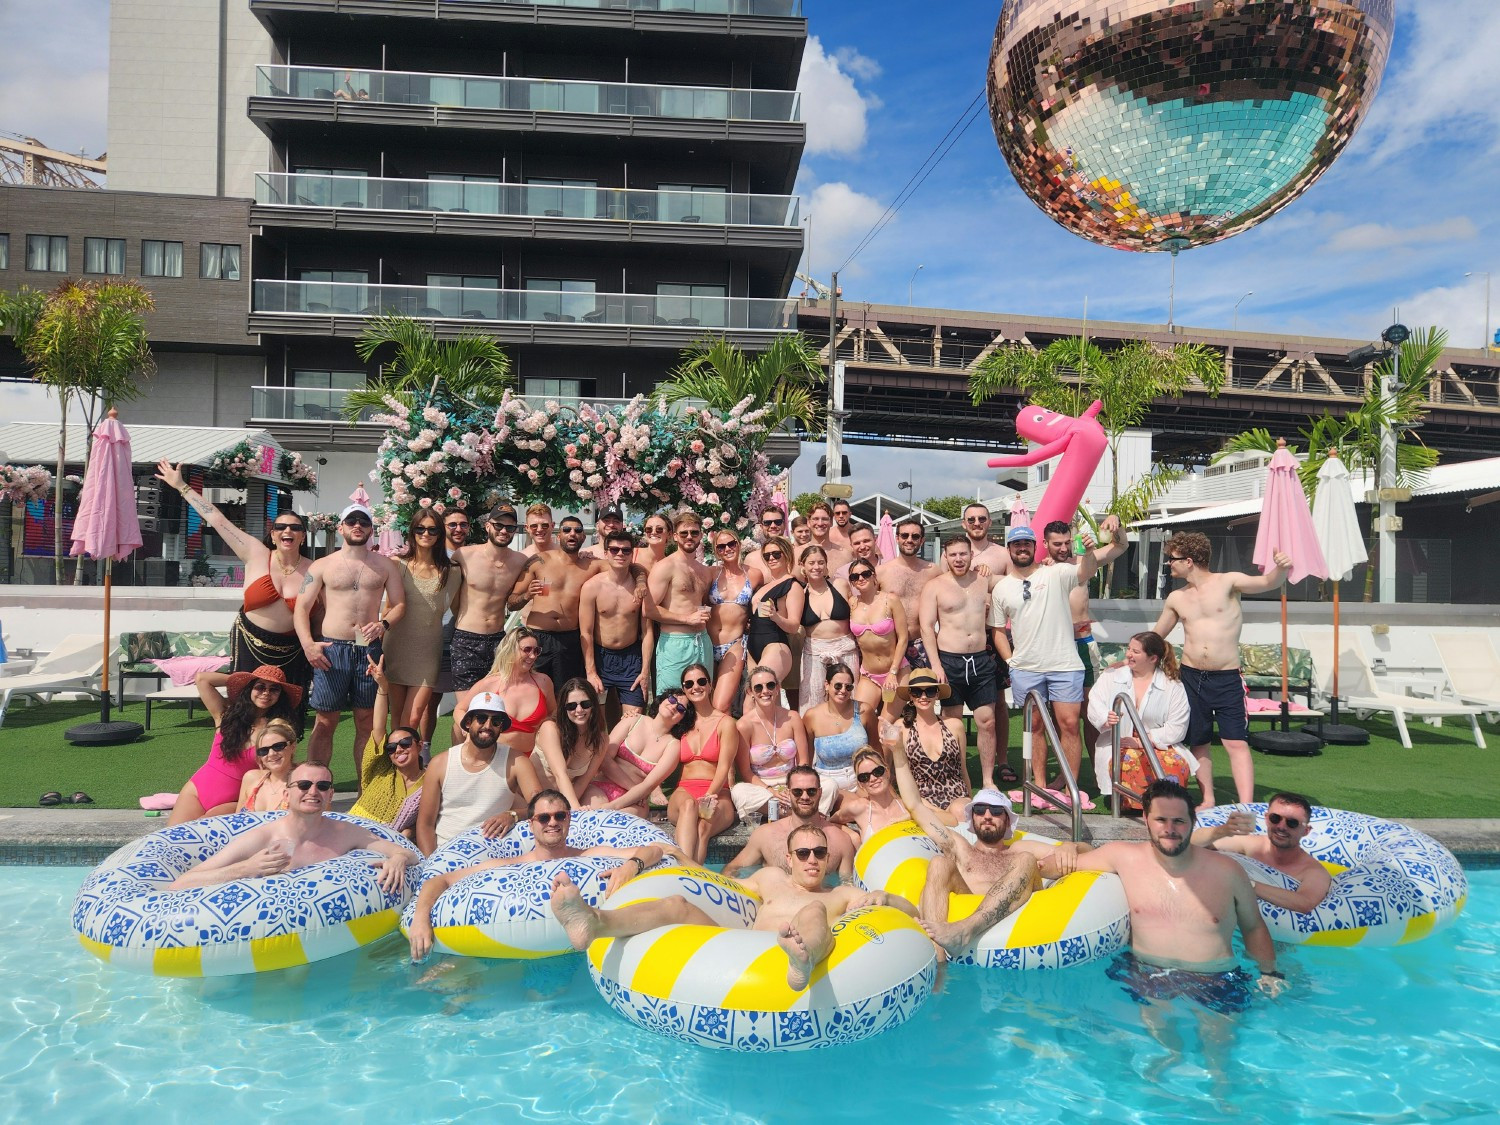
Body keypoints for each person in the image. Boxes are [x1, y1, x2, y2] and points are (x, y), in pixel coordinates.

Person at [550, 823, 918, 990]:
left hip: (797, 954)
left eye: (819, 853)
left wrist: (886, 898)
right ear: (789, 858)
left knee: (813, 912)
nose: (812, 860)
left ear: (827, 858)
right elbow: (717, 885)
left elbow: (911, 915)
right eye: (802, 853)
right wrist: (662, 857)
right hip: (741, 948)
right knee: (677, 903)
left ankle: (801, 959)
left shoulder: (839, 895)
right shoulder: (770, 878)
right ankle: (594, 921)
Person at [1074, 779, 1287, 1010]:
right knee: (1157, 1039)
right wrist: (1068, 847)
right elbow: (1061, 862)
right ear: (1146, 819)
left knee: (1219, 1043)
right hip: (1148, 973)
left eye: (1178, 821)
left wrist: (1269, 972)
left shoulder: (1228, 871)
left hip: (1216, 977)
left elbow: (1253, 926)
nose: (1169, 829)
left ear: (1192, 822)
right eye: (1161, 820)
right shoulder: (1123, 857)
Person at [407, 790, 687, 961]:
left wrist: (631, 866)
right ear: (531, 825)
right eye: (543, 818)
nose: (552, 822)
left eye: (559, 816)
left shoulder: (589, 855)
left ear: (568, 820)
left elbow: (655, 850)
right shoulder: (507, 864)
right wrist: (421, 919)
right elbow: (438, 880)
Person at [1152, 531, 1291, 808]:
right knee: (1199, 742)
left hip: (1227, 678)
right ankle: (1208, 799)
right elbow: (1156, 636)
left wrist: (1281, 568)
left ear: (1189, 561)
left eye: (1173, 559)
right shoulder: (1176, 598)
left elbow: (1266, 582)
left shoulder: (1228, 582)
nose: (1170, 564)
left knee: (1235, 743)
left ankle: (1247, 804)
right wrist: (1131, 654)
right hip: (1190, 677)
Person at [991, 519, 1125, 803]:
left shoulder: (1057, 572)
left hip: (1066, 663)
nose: (1022, 548)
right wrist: (1011, 661)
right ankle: (1038, 786)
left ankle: (1070, 789)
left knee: (1069, 724)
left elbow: (1086, 570)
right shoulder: (1002, 587)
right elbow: (998, 630)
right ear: (1010, 549)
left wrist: (1089, 551)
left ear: (1034, 546)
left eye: (1026, 543)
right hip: (1026, 668)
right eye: (1017, 544)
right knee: (1034, 727)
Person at [156, 461, 312, 704]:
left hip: (292, 650)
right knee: (246, 709)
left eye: (295, 527)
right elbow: (217, 519)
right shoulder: (255, 553)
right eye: (280, 527)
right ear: (272, 534)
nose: (287, 531)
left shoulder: (315, 569)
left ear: (303, 535)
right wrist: (181, 486)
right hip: (250, 642)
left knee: (286, 714)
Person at [169, 762, 415, 893]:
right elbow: (181, 884)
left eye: (322, 786)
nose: (312, 792)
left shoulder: (345, 832)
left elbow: (407, 853)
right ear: (287, 793)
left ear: (331, 794)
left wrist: (397, 860)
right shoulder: (263, 839)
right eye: (304, 784)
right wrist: (246, 868)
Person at [906, 785, 1090, 958]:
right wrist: (898, 755)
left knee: (1026, 859)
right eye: (979, 810)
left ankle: (966, 930)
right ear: (972, 817)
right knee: (939, 863)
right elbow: (916, 807)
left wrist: (1070, 845)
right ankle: (937, 960)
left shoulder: (1019, 849)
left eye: (995, 811)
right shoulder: (961, 848)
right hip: (957, 927)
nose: (987, 816)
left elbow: (1088, 852)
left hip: (1018, 929)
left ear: (1007, 819)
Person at [294, 502, 407, 771]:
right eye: (352, 521)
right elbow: (301, 608)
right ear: (341, 527)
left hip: (368, 647)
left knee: (367, 720)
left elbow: (400, 604)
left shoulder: (385, 565)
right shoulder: (322, 565)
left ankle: (364, 788)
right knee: (325, 721)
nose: (358, 526)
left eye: (364, 522)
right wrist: (308, 645)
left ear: (372, 529)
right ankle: (315, 785)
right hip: (332, 649)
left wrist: (383, 624)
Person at [169, 665, 303, 825]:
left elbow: (282, 763)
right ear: (249, 689)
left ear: (280, 696)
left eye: (274, 689)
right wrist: (241, 681)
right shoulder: (225, 715)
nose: (266, 693)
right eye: (260, 687)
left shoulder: (274, 729)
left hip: (235, 798)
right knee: (171, 837)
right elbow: (202, 679)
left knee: (201, 833)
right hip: (198, 788)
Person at [919, 535, 1001, 791]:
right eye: (953, 554)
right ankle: (954, 776)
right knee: (951, 721)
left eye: (963, 554)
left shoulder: (983, 581)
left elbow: (1017, 582)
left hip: (980, 660)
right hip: (949, 660)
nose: (958, 559)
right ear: (945, 556)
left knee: (987, 720)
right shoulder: (935, 586)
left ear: (971, 555)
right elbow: (926, 627)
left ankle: (988, 780)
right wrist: (937, 666)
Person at [416, 691, 541, 854]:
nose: (488, 726)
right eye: (481, 718)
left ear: (501, 727)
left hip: (492, 855)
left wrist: (513, 815)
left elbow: (541, 806)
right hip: (446, 853)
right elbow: (425, 824)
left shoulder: (517, 762)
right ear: (468, 722)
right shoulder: (440, 763)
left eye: (495, 721)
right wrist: (431, 864)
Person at [1087, 631, 1193, 803]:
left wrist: (1143, 741)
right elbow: (1095, 702)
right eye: (1129, 649)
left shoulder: (1172, 686)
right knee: (1127, 761)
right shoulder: (1111, 677)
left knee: (1175, 763)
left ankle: (1165, 805)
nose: (1128, 654)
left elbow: (1178, 727)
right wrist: (1105, 718)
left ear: (1153, 659)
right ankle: (1127, 802)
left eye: (1135, 652)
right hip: (1118, 741)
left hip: (1159, 743)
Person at [384, 508, 460, 730]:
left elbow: (457, 607)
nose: (426, 534)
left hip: (428, 649)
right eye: (420, 529)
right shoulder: (397, 564)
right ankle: (398, 762)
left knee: (414, 717)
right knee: (397, 716)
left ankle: (406, 760)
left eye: (432, 529)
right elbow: (388, 606)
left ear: (439, 534)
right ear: (412, 531)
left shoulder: (452, 570)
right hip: (396, 644)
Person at [1192, 792, 1332, 912]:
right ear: (1266, 819)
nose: (1281, 827)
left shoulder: (1313, 871)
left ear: (1306, 831)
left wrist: (1245, 883)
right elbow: (1192, 844)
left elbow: (1304, 903)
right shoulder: (1252, 845)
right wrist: (1223, 830)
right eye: (1275, 818)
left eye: (1292, 823)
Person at [509, 515, 606, 688]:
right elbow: (511, 602)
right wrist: (527, 595)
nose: (572, 534)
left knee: (567, 694)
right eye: (567, 530)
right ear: (558, 535)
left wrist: (642, 582)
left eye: (578, 530)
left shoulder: (592, 565)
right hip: (538, 638)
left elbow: (629, 567)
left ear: (583, 537)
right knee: (533, 691)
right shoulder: (539, 561)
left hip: (570, 640)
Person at [448, 503, 530, 694]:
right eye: (498, 525)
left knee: (494, 705)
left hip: (498, 639)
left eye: (510, 528)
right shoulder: (464, 555)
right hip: (465, 638)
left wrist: (587, 554)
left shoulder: (520, 561)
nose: (504, 531)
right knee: (466, 709)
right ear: (487, 526)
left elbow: (548, 558)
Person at [723, 765, 854, 882]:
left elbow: (847, 884)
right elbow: (733, 869)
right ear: (788, 793)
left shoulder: (841, 841)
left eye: (811, 791)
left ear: (820, 793)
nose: (804, 797)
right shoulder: (765, 835)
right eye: (797, 791)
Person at [665, 662, 738, 863]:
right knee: (689, 806)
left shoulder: (726, 723)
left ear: (710, 684)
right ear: (684, 690)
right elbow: (652, 729)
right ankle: (689, 875)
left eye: (701, 681)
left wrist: (708, 796)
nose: (695, 687)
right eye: (689, 684)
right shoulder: (680, 721)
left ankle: (686, 875)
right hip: (684, 792)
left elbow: (724, 766)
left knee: (703, 827)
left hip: (717, 792)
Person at [580, 528, 655, 721]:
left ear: (632, 553)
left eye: (625, 550)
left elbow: (647, 631)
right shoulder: (592, 587)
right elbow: (586, 632)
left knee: (633, 721)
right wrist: (591, 672)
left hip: (631, 657)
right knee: (594, 722)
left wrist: (645, 671)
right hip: (600, 656)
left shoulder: (641, 589)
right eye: (614, 550)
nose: (620, 554)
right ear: (606, 553)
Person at [349, 655, 426, 835]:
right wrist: (383, 688)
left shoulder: (430, 780)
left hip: (388, 845)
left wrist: (409, 831)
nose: (398, 749)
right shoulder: (381, 769)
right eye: (391, 748)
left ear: (420, 746)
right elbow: (378, 727)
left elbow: (432, 818)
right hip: (352, 831)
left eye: (405, 743)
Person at [457, 628, 556, 756]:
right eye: (527, 650)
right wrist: (468, 731)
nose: (532, 656)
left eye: (536, 651)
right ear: (511, 649)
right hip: (496, 756)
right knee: (456, 727)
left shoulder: (543, 681)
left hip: (534, 757)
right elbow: (460, 709)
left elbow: (554, 712)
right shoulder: (491, 683)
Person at [890, 667, 970, 824]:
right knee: (923, 811)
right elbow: (895, 771)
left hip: (956, 797)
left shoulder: (955, 726)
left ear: (937, 694)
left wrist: (969, 800)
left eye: (930, 691)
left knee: (960, 811)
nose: (923, 697)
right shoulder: (901, 727)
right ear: (910, 696)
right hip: (921, 799)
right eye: (917, 692)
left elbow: (963, 770)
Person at [645, 510, 713, 694]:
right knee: (672, 700)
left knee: (703, 699)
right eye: (684, 533)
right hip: (675, 644)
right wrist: (687, 619)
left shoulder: (704, 571)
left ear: (701, 535)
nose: (689, 537)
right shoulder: (665, 567)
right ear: (675, 536)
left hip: (702, 642)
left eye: (694, 533)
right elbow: (648, 610)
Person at [731, 664, 809, 822]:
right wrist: (771, 791)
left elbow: (804, 762)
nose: (765, 691)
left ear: (778, 688)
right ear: (750, 692)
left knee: (829, 785)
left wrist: (793, 787)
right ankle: (796, 812)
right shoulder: (744, 725)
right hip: (762, 787)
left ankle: (785, 808)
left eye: (770, 685)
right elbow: (746, 772)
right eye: (758, 687)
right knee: (739, 791)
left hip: (794, 782)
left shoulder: (792, 717)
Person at [598, 692, 691, 818]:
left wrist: (612, 807)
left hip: (634, 802)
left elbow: (649, 785)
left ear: (682, 719)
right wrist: (633, 789)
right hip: (603, 787)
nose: (674, 706)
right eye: (672, 699)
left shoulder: (673, 746)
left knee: (616, 820)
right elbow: (604, 760)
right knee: (594, 818)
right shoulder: (633, 720)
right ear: (662, 701)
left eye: (681, 708)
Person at [790, 545, 857, 709]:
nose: (816, 567)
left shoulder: (840, 585)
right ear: (803, 565)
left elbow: (859, 609)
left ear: (826, 565)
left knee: (849, 697)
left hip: (845, 649)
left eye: (821, 562)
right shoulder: (799, 592)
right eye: (811, 563)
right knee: (812, 700)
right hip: (814, 652)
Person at [531, 678, 615, 808]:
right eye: (571, 706)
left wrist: (568, 809)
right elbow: (560, 774)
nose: (579, 710)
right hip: (536, 798)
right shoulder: (551, 729)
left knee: (599, 802)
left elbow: (584, 780)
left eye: (585, 704)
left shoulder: (601, 739)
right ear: (564, 708)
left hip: (567, 798)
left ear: (593, 704)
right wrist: (575, 810)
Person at [847, 556, 907, 735]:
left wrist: (893, 673)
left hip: (896, 672)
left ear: (874, 576)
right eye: (854, 577)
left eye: (865, 574)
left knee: (884, 726)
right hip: (868, 675)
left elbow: (903, 638)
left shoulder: (890, 600)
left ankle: (887, 763)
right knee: (857, 720)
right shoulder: (852, 603)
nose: (860, 579)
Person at [802, 662, 869, 813]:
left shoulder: (865, 711)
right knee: (861, 808)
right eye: (838, 686)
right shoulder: (812, 716)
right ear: (827, 685)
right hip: (827, 783)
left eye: (848, 687)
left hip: (860, 780)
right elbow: (806, 759)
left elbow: (876, 752)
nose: (843, 691)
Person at [706, 528, 757, 713]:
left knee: (721, 705)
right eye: (721, 546)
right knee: (706, 704)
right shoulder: (711, 573)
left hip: (734, 645)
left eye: (731, 543)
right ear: (716, 551)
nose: (727, 548)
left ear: (739, 544)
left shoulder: (754, 574)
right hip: (707, 643)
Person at [745, 534, 800, 703]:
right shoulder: (764, 586)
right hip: (753, 646)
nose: (771, 558)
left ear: (787, 554)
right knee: (761, 704)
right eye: (767, 555)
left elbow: (793, 626)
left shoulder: (793, 585)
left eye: (776, 554)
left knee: (757, 699)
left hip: (775, 645)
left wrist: (776, 617)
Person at [878, 517, 937, 670]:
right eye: (904, 535)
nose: (909, 540)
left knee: (926, 693)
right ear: (897, 538)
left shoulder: (934, 571)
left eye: (915, 536)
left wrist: (979, 569)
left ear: (922, 540)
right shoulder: (881, 572)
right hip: (891, 645)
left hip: (923, 644)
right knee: (893, 693)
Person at [830, 746, 915, 844]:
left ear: (887, 772)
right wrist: (854, 836)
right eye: (864, 777)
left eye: (877, 771)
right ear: (860, 784)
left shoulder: (908, 805)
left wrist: (908, 817)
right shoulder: (859, 808)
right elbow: (831, 823)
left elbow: (936, 812)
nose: (873, 778)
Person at [237, 718, 299, 813]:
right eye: (264, 751)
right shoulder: (251, 779)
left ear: (293, 747)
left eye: (278, 746)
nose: (271, 754)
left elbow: (324, 821)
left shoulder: (304, 784)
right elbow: (236, 819)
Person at [959, 502, 1011, 576]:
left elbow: (1013, 585)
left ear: (989, 522)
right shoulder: (950, 555)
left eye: (982, 519)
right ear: (964, 524)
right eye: (971, 519)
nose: (977, 523)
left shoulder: (1004, 554)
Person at [805, 501, 851, 576]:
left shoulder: (845, 555)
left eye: (824, 519)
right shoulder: (796, 554)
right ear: (808, 522)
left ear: (831, 522)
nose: (820, 523)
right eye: (815, 519)